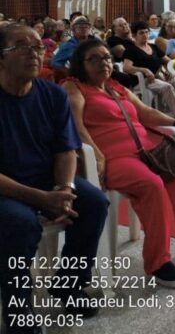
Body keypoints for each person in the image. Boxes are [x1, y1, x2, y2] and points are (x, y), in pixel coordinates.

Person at [63, 39, 175, 289]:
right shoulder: (75, 88)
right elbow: (76, 125)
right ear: (80, 65)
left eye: (106, 57)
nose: (103, 63)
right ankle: (158, 262)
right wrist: (97, 154)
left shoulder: (116, 87)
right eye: (94, 58)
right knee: (151, 184)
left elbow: (145, 113)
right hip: (115, 157)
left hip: (148, 149)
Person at [0, 24, 108, 331]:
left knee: (94, 203)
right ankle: (18, 311)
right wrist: (41, 199)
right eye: (21, 47)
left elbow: (66, 150)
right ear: (1, 59)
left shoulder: (52, 94)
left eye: (38, 47)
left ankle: (69, 285)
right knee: (19, 224)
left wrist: (64, 189)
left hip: (46, 179)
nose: (34, 54)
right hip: (6, 188)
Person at [122, 20, 175, 116]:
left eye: (146, 32)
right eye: (141, 33)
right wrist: (144, 70)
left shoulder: (153, 47)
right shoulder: (131, 50)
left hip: (160, 76)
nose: (145, 35)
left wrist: (169, 70)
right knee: (167, 87)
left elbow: (168, 61)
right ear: (134, 35)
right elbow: (126, 68)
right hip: (144, 81)